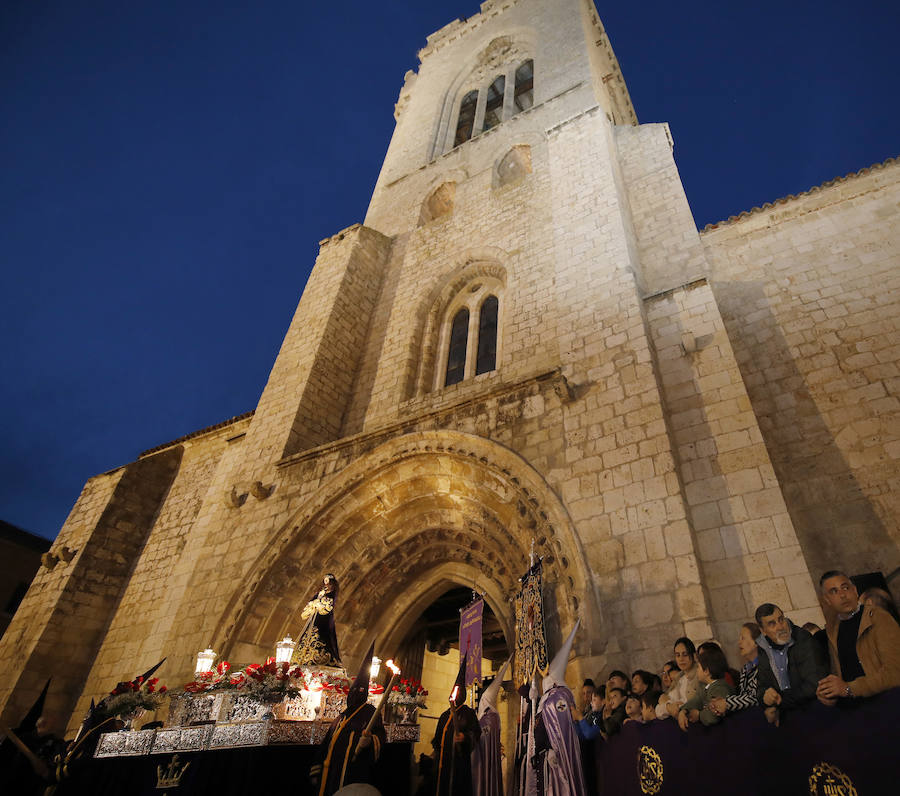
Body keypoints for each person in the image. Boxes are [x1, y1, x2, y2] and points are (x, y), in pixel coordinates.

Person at [311, 642, 385, 796]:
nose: (355, 695)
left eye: (359, 692)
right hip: (331, 773)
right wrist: (317, 771)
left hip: (353, 773)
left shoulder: (370, 712)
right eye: (353, 691)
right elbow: (327, 743)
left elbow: (380, 736)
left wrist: (370, 741)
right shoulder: (341, 716)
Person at [816, 571, 900, 704]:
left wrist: (850, 688)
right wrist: (828, 693)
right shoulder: (833, 630)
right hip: (856, 707)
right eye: (834, 591)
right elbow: (840, 676)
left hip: (887, 701)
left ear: (855, 590)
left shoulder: (877, 617)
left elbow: (895, 672)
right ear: (827, 600)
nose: (843, 595)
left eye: (845, 588)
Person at [533, 621, 587, 795]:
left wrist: (551, 748)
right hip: (547, 753)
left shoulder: (558, 697)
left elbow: (560, 729)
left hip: (558, 755)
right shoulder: (549, 697)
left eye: (547, 674)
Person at [755, 603, 828, 723]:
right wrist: (765, 697)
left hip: (815, 711)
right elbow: (762, 686)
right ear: (763, 631)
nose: (780, 627)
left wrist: (780, 701)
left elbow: (814, 684)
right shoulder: (763, 648)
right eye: (772, 624)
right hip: (787, 716)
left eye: (781, 619)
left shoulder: (803, 639)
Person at [433, 653, 480, 796]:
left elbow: (476, 733)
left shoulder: (468, 713)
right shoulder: (444, 715)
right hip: (443, 764)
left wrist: (464, 738)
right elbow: (437, 738)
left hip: (458, 764)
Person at [677, 642, 735, 730]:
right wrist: (684, 711)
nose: (697, 670)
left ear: (706, 671)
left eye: (699, 667)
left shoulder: (720, 688)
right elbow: (697, 700)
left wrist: (699, 715)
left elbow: (714, 715)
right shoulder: (707, 687)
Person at [473, 658, 509, 796]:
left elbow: (482, 737)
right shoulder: (494, 716)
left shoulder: (488, 717)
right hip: (488, 756)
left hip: (483, 757)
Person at [709, 622, 761, 717]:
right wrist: (722, 702)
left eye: (743, 638)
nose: (739, 642)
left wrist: (727, 703)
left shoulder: (764, 665)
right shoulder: (745, 668)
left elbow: (756, 698)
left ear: (756, 642)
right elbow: (743, 697)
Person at [294, 573, 342, 666]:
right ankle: (304, 656)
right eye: (325, 580)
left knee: (323, 635)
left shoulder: (332, 592)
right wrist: (314, 604)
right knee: (309, 633)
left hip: (324, 617)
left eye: (327, 580)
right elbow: (312, 601)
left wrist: (320, 604)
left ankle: (321, 656)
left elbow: (329, 604)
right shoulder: (320, 592)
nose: (325, 581)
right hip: (315, 616)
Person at [656, 638, 698, 719]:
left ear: (693, 655)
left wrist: (672, 707)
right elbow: (658, 710)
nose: (681, 659)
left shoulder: (700, 675)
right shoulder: (679, 678)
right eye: (678, 655)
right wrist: (668, 706)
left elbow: (692, 704)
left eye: (685, 654)